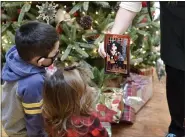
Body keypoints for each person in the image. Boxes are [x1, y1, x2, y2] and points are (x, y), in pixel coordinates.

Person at [98, 2, 185, 137]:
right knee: (176, 79)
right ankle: (177, 129)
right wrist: (113, 35)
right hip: (173, 30)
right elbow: (131, 4)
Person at [2, 21, 60, 137]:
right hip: (20, 131)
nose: (57, 56)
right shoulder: (33, 83)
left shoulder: (16, 55)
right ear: (40, 61)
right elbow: (35, 120)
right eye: (54, 55)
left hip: (8, 118)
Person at [42, 66, 108, 137]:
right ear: (75, 100)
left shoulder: (51, 119)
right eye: (86, 86)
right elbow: (103, 135)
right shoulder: (89, 121)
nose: (92, 89)